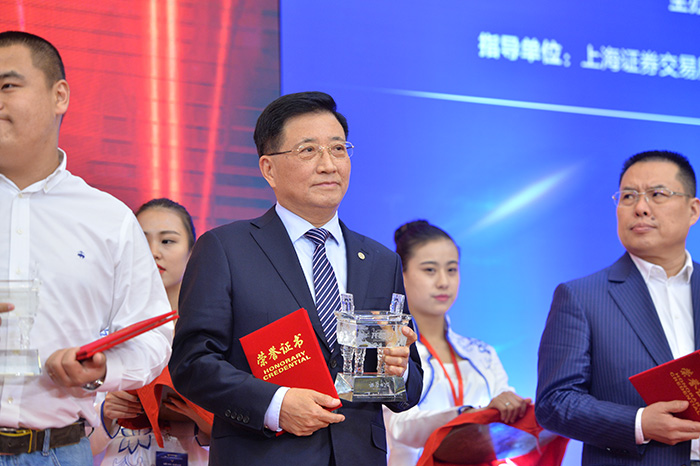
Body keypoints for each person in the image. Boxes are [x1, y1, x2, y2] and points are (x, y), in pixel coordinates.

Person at [169, 91, 423, 466]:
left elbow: (409, 388)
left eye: (338, 149)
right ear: (268, 168)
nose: (328, 165)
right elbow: (192, 363)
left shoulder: (380, 261)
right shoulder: (226, 249)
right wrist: (275, 404)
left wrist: (396, 372)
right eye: (308, 151)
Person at [0, 31, 172, 464]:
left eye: (7, 85)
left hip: (59, 451)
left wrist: (103, 369)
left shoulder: (108, 219)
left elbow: (152, 336)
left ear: (59, 95)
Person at [536, 150, 700, 464]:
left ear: (693, 210)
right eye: (628, 196)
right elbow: (554, 403)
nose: (640, 207)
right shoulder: (581, 297)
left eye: (657, 194)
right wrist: (639, 423)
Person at [383, 220, 529, 465]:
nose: (443, 282)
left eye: (451, 269)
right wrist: (467, 416)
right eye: (430, 270)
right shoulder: (392, 352)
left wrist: (511, 406)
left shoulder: (482, 353)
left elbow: (507, 422)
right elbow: (400, 427)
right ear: (401, 275)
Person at [91, 199, 212, 466]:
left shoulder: (215, 330)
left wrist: (207, 422)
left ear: (191, 252)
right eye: (141, 241)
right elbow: (70, 445)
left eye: (167, 241)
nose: (153, 252)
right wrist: (106, 414)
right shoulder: (100, 328)